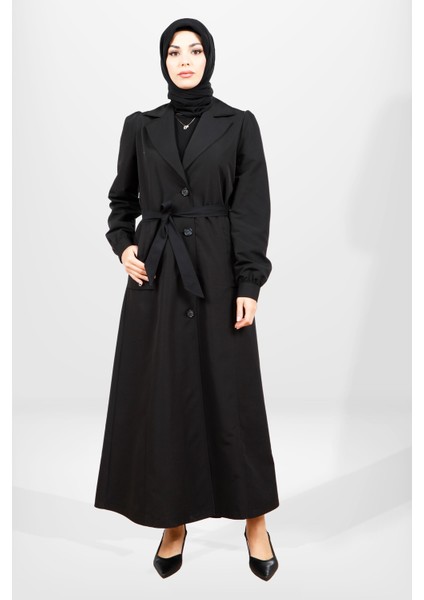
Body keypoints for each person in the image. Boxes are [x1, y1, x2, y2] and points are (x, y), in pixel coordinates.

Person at [94, 17, 280, 581]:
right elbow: (121, 203)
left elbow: (252, 208)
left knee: (232, 396)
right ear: (164, 61)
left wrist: (249, 282)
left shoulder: (239, 124)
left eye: (194, 51)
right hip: (158, 277)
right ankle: (172, 522)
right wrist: (124, 246)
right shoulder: (140, 125)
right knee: (165, 398)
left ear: (209, 58)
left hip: (218, 276)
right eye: (174, 52)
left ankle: (254, 521)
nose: (184, 61)